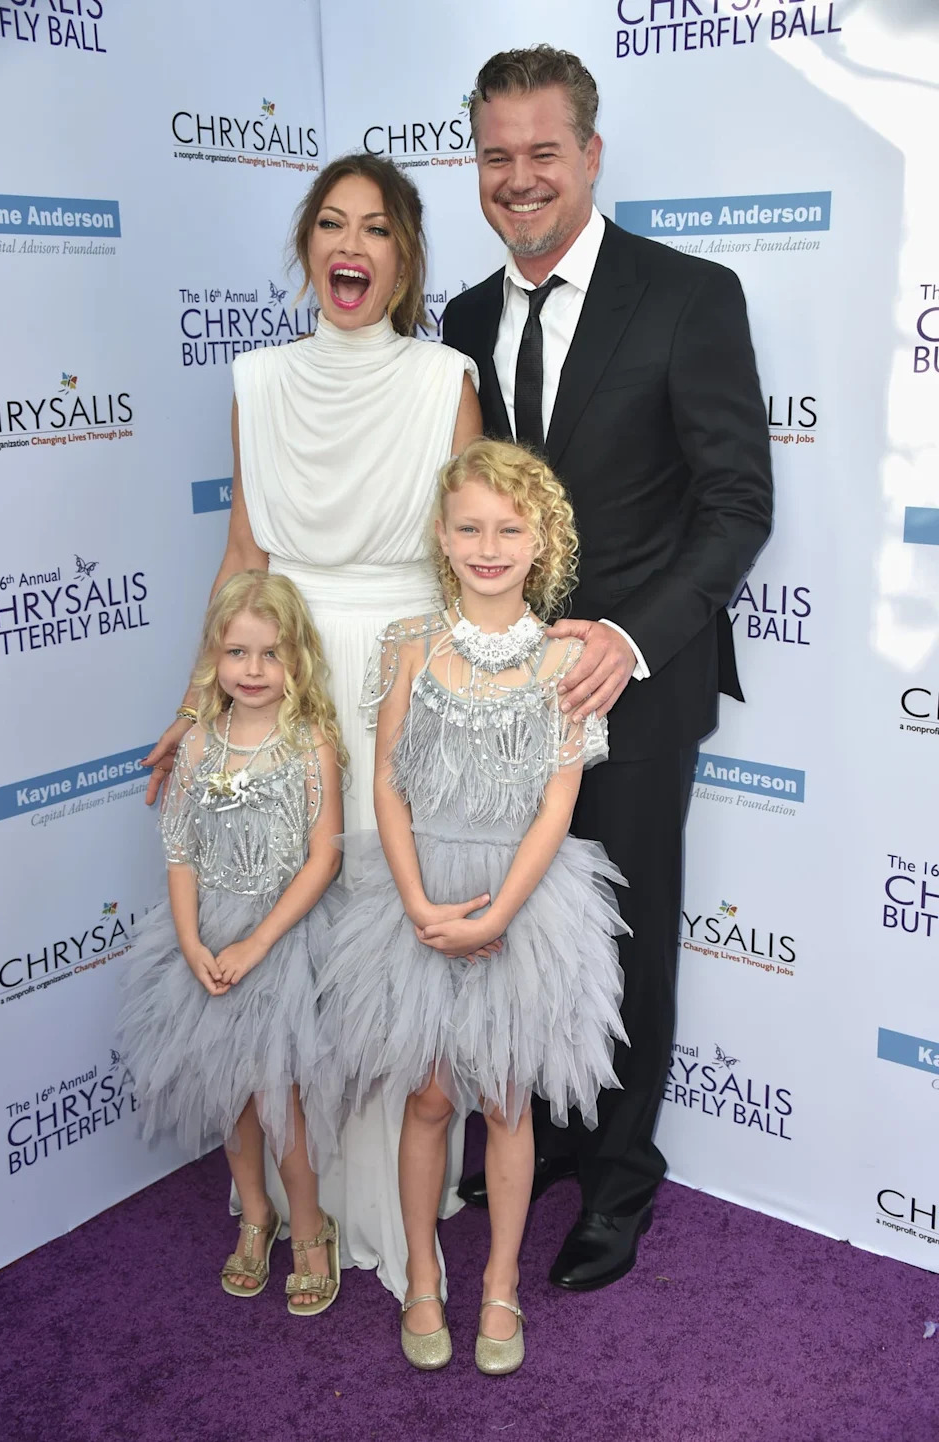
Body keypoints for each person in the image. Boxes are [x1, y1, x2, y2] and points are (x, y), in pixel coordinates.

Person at [442, 46, 773, 1291]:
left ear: (590, 153)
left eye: (542, 152)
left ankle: (624, 1178)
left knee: (628, 935)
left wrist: (627, 641)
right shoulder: (464, 322)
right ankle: (551, 1136)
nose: (518, 179)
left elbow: (737, 501)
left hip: (638, 679)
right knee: (523, 920)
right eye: (496, 157)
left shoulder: (692, 294)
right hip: (498, 694)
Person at [142, 153, 482, 1301]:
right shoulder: (258, 379)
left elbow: (463, 561)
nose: (352, 245)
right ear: (308, 250)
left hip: (398, 669)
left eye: (376, 228)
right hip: (280, 676)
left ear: (405, 256)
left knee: (383, 944)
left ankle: (393, 1196)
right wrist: (199, 703)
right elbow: (245, 555)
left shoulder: (446, 381)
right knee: (289, 945)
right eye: (331, 225)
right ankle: (298, 1202)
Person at [316, 439, 630, 1374]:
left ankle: (498, 1285)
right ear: (443, 539)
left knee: (503, 1097)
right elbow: (384, 785)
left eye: (509, 529)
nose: (488, 546)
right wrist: (416, 900)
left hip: (522, 902)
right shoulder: (409, 644)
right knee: (425, 1095)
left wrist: (494, 918)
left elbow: (559, 805)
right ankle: (422, 1273)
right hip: (415, 890)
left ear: (543, 542)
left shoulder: (564, 661)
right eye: (469, 529)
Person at [119, 572, 345, 1313]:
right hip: (206, 935)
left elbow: (324, 858)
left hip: (281, 939)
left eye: (270, 654)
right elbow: (180, 850)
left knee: (281, 1096)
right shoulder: (197, 747)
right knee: (231, 1097)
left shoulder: (309, 742)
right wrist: (189, 942)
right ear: (213, 656)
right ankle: (256, 1213)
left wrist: (259, 942)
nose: (252, 670)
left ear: (298, 660)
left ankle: (311, 1227)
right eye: (237, 652)